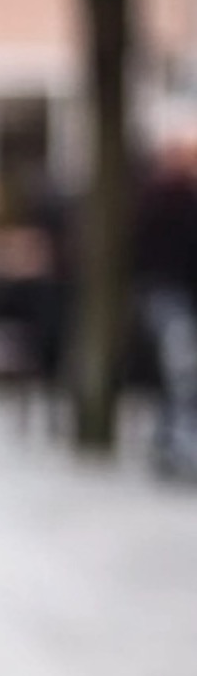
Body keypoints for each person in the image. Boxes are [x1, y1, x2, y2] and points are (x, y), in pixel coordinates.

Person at [133, 128, 197, 480]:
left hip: (163, 296)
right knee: (182, 375)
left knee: (175, 376)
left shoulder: (153, 195)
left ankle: (170, 445)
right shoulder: (172, 196)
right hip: (170, 297)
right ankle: (179, 450)